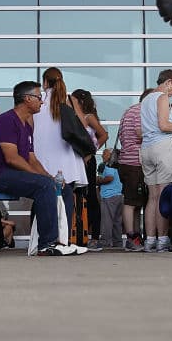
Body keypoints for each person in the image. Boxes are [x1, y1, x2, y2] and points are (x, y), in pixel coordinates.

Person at [0, 81, 77, 256]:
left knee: (64, 189)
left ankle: (62, 241)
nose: (42, 102)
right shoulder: (6, 121)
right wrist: (43, 179)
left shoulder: (26, 125)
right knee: (44, 185)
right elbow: (11, 158)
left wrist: (48, 176)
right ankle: (46, 244)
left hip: (14, 174)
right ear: (27, 99)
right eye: (39, 97)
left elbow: (32, 159)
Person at [140, 69, 172, 252]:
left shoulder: (145, 99)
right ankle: (162, 240)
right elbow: (163, 125)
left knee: (152, 198)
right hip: (163, 148)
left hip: (147, 148)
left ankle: (149, 240)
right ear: (168, 82)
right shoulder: (162, 97)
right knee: (164, 197)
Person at [32, 67, 88, 229]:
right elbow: (83, 127)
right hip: (67, 158)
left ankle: (42, 238)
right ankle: (63, 239)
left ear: (44, 83)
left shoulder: (39, 101)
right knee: (66, 197)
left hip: (42, 157)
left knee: (41, 197)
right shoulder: (69, 100)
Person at [72, 88, 108, 251]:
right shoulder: (71, 117)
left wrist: (91, 151)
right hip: (73, 160)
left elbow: (103, 135)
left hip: (87, 160)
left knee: (91, 195)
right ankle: (76, 232)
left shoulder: (89, 117)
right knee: (74, 195)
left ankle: (95, 237)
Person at [117, 89, 152, 251]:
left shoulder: (128, 111)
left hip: (127, 161)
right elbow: (140, 133)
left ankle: (136, 235)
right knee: (131, 202)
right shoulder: (140, 111)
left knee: (136, 202)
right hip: (134, 163)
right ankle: (132, 237)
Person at [96, 148, 123, 250]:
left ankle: (105, 241)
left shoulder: (109, 165)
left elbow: (110, 178)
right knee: (117, 221)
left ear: (110, 155)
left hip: (109, 196)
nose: (102, 155)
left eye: (104, 153)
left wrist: (99, 181)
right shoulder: (118, 166)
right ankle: (118, 242)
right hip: (118, 196)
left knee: (106, 220)